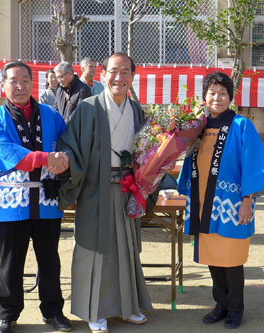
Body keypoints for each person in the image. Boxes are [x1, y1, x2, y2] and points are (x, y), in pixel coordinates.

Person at [57, 52, 151, 333]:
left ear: (132, 77)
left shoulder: (136, 111)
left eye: (125, 72)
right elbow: (70, 146)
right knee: (93, 250)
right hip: (95, 188)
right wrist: (65, 162)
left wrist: (149, 177)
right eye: (113, 71)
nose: (119, 77)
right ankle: (94, 311)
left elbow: (146, 154)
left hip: (126, 189)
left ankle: (127, 307)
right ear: (103, 74)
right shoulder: (87, 108)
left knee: (125, 248)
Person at [177, 72, 264, 329]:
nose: (217, 98)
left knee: (232, 260)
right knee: (212, 259)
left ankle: (235, 309)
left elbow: (253, 164)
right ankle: (219, 305)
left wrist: (247, 200)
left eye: (222, 93)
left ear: (230, 97)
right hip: (203, 203)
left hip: (231, 204)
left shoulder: (241, 125)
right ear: (204, 96)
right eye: (212, 93)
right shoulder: (196, 126)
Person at [0, 61, 71, 333]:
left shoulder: (51, 114)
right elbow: (7, 153)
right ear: (2, 85)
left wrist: (65, 158)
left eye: (24, 80)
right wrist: (48, 158)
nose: (19, 86)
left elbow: (67, 142)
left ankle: (53, 311)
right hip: (11, 201)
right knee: (10, 262)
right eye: (13, 80)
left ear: (33, 83)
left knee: (50, 260)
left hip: (47, 199)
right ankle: (8, 314)